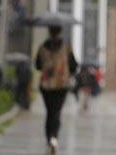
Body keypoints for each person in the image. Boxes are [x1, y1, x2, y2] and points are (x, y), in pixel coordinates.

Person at [34, 25, 78, 155]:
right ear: (60, 31)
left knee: (49, 112)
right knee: (56, 112)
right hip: (61, 85)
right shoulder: (66, 47)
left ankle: (49, 139)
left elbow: (37, 65)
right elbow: (74, 66)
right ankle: (54, 138)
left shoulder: (42, 47)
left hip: (46, 85)